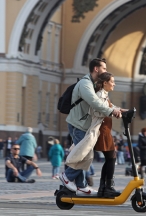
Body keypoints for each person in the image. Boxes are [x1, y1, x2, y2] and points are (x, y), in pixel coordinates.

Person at [59, 59, 122, 196]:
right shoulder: (85, 84)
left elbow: (103, 103)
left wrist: (119, 110)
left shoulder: (94, 84)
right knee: (85, 154)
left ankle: (81, 185)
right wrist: (111, 112)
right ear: (96, 69)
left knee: (82, 154)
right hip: (78, 125)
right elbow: (94, 102)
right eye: (104, 68)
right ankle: (67, 177)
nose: (105, 71)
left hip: (84, 125)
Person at [92, 72, 127, 197]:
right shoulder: (100, 95)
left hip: (106, 130)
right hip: (102, 131)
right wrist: (114, 111)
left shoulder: (105, 96)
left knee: (109, 159)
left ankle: (104, 187)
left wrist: (123, 110)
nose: (114, 84)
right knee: (111, 157)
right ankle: (108, 187)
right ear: (105, 83)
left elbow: (112, 107)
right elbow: (101, 109)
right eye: (112, 81)